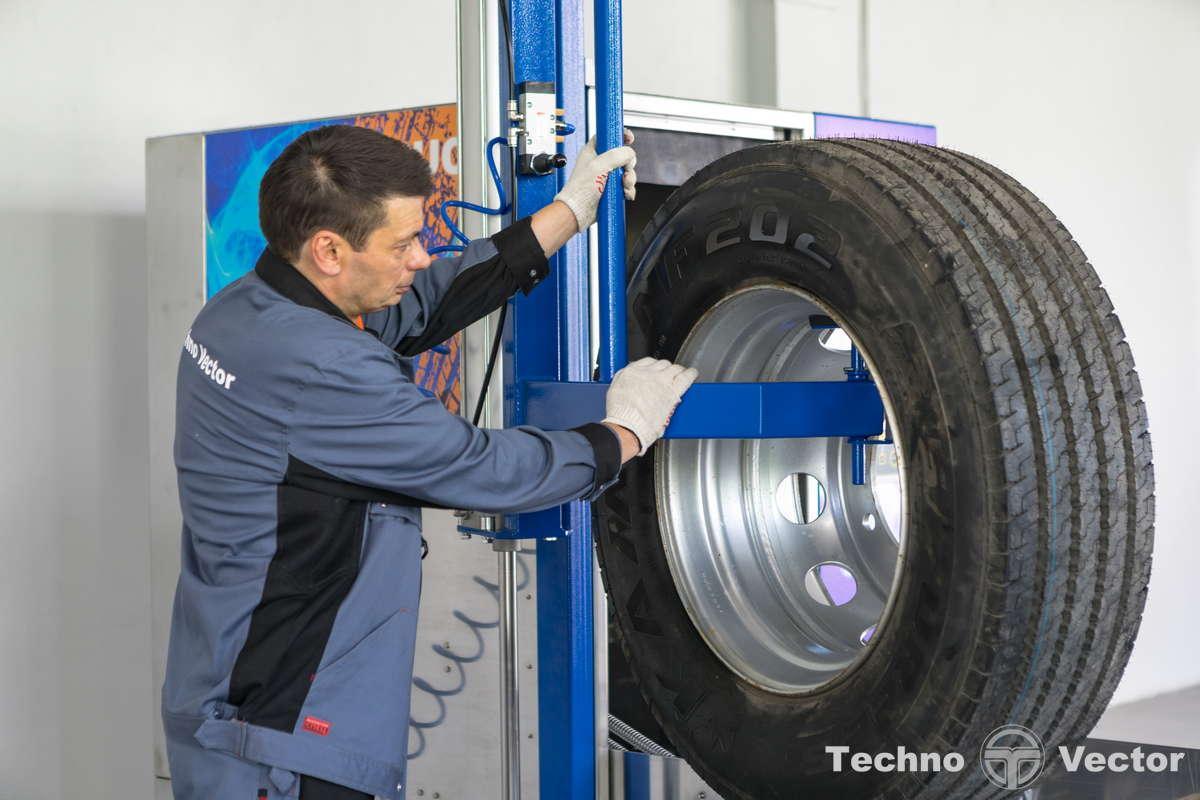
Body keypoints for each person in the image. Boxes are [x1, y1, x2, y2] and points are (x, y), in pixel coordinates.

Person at [161, 123, 697, 800]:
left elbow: (418, 306)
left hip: (229, 692)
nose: (419, 256)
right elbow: (478, 467)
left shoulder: (247, 308)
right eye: (403, 243)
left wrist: (565, 215)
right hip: (280, 744)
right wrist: (623, 433)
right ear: (329, 249)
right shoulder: (321, 368)